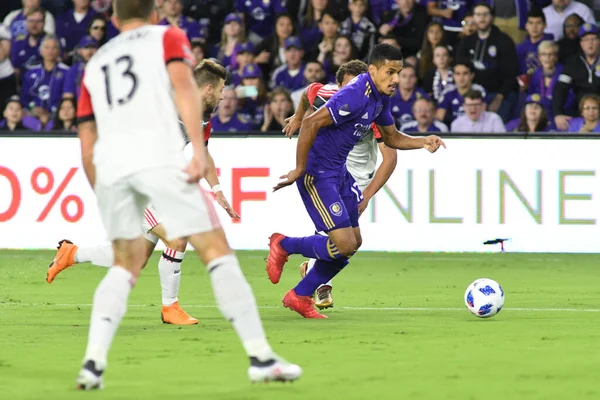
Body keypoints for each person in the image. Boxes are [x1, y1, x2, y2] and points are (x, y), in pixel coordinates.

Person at [69, 1, 301, 389]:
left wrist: (102, 188)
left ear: (113, 18)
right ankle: (260, 356)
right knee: (216, 250)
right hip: (153, 164)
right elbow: (183, 87)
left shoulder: (97, 63)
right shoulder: (167, 37)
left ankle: (92, 365)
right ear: (155, 14)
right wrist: (195, 149)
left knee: (126, 265)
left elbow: (87, 138)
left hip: (113, 168)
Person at [48, 61, 242, 326]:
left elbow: (202, 154)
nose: (222, 96)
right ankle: (170, 308)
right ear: (208, 88)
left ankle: (71, 254)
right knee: (176, 239)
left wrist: (218, 191)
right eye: (221, 90)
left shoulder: (203, 117)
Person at [266, 44, 445, 319]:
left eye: (399, 72)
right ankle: (283, 245)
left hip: (339, 172)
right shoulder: (353, 96)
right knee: (344, 244)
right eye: (390, 72)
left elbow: (392, 138)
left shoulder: (380, 96)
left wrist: (423, 141)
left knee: (354, 242)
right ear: (372, 71)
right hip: (318, 174)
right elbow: (312, 123)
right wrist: (299, 168)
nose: (396, 79)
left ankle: (300, 295)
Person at [281, 60, 398, 308]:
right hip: (329, 171)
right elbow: (309, 91)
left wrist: (367, 195)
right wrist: (299, 117)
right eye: (346, 86)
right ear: (338, 86)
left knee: (351, 243)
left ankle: (307, 269)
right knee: (337, 238)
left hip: (355, 177)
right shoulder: (330, 97)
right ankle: (317, 285)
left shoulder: (372, 106)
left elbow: (391, 157)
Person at [552, 23, 600, 131]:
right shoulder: (573, 63)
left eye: (593, 39)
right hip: (579, 111)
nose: (590, 43)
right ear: (581, 43)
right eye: (586, 40)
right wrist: (557, 113)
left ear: (599, 41)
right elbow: (561, 88)